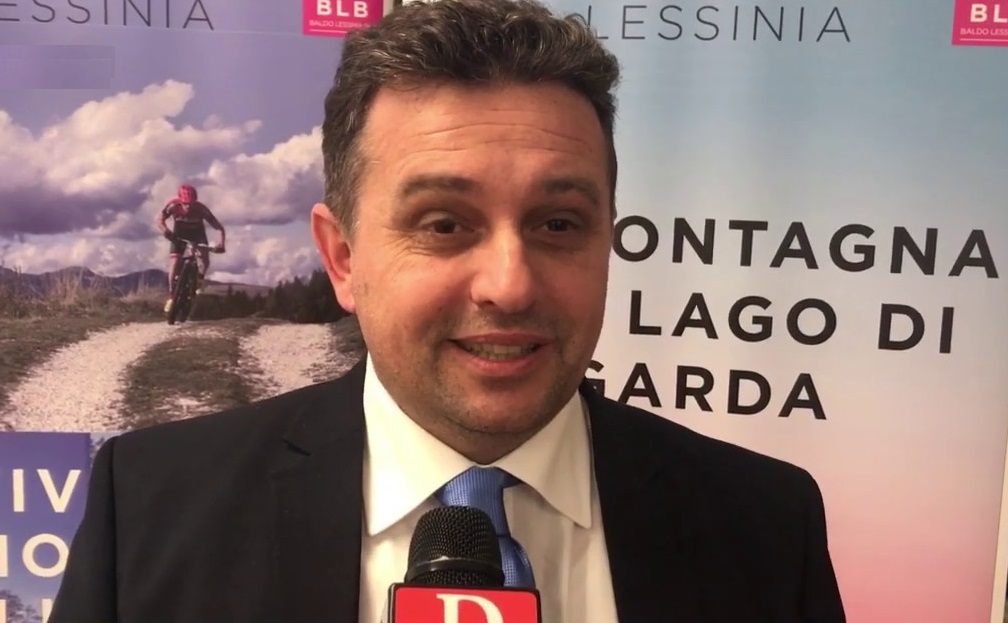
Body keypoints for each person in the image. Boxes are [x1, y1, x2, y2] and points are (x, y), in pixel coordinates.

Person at [49, 1, 846, 622]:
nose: (510, 284)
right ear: (343, 257)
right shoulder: (149, 506)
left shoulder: (767, 525)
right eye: (443, 224)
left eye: (558, 224)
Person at [155, 183, 226, 313]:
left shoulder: (201, 209)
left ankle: (199, 279)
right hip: (179, 234)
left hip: (198, 234)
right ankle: (171, 296)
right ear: (180, 200)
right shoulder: (173, 205)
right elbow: (159, 220)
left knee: (204, 260)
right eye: (185, 204)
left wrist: (221, 244)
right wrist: (165, 231)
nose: (188, 207)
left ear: (195, 201)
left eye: (191, 204)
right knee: (174, 263)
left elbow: (218, 227)